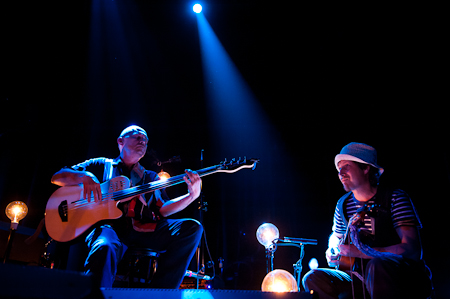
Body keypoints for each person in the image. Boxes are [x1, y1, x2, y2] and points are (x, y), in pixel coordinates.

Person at [50, 125, 203, 288]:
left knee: (192, 228)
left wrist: (191, 196)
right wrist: (85, 176)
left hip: (141, 229)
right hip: (108, 228)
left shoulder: (150, 177)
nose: (142, 141)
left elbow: (163, 208)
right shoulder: (102, 165)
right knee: (104, 246)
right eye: (137, 137)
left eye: (145, 140)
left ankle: (160, 292)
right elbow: (57, 177)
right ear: (120, 141)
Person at [302, 142, 432, 299]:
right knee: (313, 278)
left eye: (346, 166)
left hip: (398, 277)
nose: (340, 173)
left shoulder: (394, 198)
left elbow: (412, 250)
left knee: (377, 266)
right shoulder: (342, 204)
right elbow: (336, 236)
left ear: (365, 168)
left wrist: (362, 253)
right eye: (339, 168)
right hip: (359, 277)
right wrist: (333, 250)